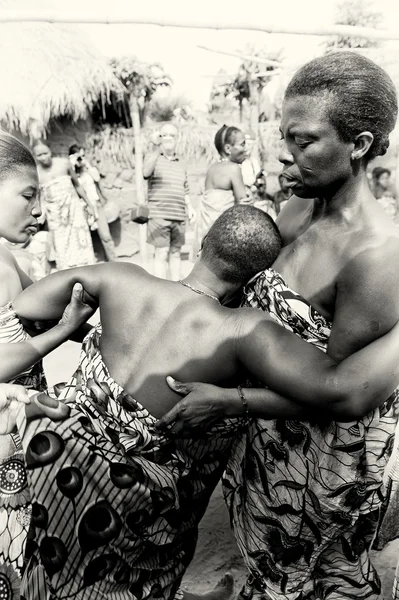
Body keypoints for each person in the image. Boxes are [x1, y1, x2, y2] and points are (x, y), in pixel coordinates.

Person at [8, 204, 399, 600]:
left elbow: (21, 311)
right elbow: (335, 389)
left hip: (54, 463)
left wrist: (75, 328)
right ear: (255, 279)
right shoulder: (242, 330)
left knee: (48, 570)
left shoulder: (117, 277)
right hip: (134, 503)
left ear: (201, 244)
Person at [159, 52, 399, 600]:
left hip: (322, 461)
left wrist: (227, 402)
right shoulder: (297, 210)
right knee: (273, 569)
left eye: (305, 141)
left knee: (325, 576)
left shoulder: (376, 258)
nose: (286, 155)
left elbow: (343, 399)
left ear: (359, 145)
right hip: (266, 438)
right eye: (286, 137)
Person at [0, 131, 100, 598]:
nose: (38, 210)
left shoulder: (3, 252)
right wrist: (63, 333)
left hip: (18, 424)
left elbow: (32, 304)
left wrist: (95, 321)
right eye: (27, 195)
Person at [32, 141, 96, 270]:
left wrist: (90, 205)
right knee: (62, 246)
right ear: (34, 156)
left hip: (74, 210)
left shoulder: (64, 164)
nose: (44, 157)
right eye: (39, 155)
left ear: (51, 151)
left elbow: (77, 185)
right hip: (55, 216)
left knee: (81, 241)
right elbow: (38, 197)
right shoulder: (36, 173)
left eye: (45, 153)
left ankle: (88, 271)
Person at [143, 123, 195, 280]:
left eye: (172, 135)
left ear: (177, 138)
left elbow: (185, 189)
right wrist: (155, 146)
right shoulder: (153, 157)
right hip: (158, 214)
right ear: (159, 137)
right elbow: (145, 173)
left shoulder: (181, 162)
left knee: (175, 253)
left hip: (179, 215)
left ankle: (175, 287)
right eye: (164, 134)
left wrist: (190, 207)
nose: (168, 138)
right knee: (161, 252)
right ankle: (160, 290)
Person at [193, 125, 249, 257]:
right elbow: (243, 205)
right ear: (228, 148)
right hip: (223, 232)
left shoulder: (212, 168)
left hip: (207, 231)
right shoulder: (233, 168)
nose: (245, 148)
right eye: (242, 144)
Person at [69, 144, 116, 262]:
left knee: (106, 236)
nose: (81, 159)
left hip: (96, 205)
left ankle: (114, 263)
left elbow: (97, 178)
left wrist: (87, 165)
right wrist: (72, 165)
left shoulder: (90, 170)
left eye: (83, 156)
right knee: (83, 238)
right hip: (80, 208)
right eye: (79, 156)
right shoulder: (70, 172)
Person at [241, 130, 262, 197]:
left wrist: (256, 186)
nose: (246, 147)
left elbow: (259, 178)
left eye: (249, 144)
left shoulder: (254, 162)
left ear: (253, 145)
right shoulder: (237, 162)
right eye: (244, 144)